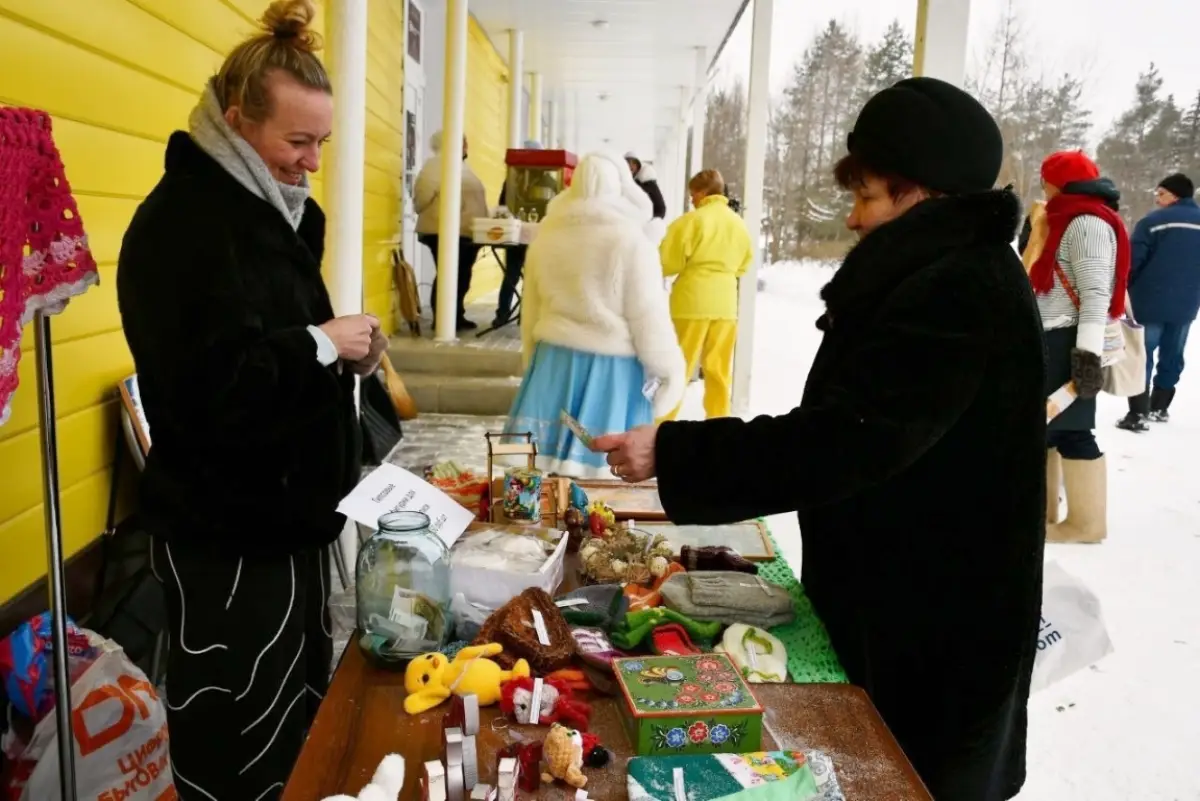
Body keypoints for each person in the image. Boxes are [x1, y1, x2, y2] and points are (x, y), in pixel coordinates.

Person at [597, 78, 1047, 801]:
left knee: (906, 779)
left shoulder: (958, 289)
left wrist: (675, 452)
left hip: (935, 631)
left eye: (867, 195)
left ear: (919, 194)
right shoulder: (941, 272)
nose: (854, 215)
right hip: (903, 601)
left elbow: (850, 439)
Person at [116, 2, 382, 798]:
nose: (310, 163)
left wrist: (343, 353)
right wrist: (320, 343)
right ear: (235, 120)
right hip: (225, 537)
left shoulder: (270, 210)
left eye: (320, 144)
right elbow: (205, 391)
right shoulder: (184, 226)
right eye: (296, 143)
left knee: (293, 719)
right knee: (232, 732)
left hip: (287, 528)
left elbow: (282, 348)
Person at [505, 152, 685, 476]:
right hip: (612, 372)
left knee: (538, 473)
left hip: (552, 362)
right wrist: (668, 373)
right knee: (605, 470)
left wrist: (532, 360)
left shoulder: (547, 238)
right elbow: (647, 315)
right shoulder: (630, 241)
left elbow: (530, 311)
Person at [1028, 151, 1129, 544]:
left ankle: (1085, 524)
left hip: (1069, 338)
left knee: (1072, 430)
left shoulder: (1085, 222)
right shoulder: (1060, 216)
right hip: (1053, 337)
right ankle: (1048, 515)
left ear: (1061, 182)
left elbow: (1095, 294)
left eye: (1046, 179)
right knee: (1049, 427)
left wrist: (1085, 360)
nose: (1043, 187)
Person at [659, 168, 753, 419]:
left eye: (693, 194)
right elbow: (744, 264)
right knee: (719, 371)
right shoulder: (738, 224)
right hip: (725, 306)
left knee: (679, 367)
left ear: (702, 192)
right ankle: (718, 423)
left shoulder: (691, 221)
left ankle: (662, 423)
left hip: (691, 303)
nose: (692, 199)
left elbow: (668, 262)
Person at [1117, 172, 1200, 429]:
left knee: (1143, 353)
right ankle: (1161, 406)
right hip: (1186, 303)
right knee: (1172, 355)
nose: (1157, 198)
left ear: (1174, 195)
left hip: (1149, 301)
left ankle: (1138, 412)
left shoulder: (1152, 223)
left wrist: (1124, 287)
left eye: (1161, 193)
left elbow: (1133, 262)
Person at [414, 130, 490, 331]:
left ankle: (455, 315)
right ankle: (443, 319)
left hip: (465, 232)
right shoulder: (436, 165)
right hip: (444, 231)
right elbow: (421, 198)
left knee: (461, 276)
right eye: (463, 142)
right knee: (449, 274)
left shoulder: (460, 165)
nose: (467, 146)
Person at [493, 139, 542, 327]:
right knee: (527, 277)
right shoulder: (546, 179)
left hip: (517, 234)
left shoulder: (513, 178)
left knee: (512, 275)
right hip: (532, 236)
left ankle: (503, 314)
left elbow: (502, 204)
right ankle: (524, 316)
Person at [624, 151, 668, 220]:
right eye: (628, 164)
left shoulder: (646, 181)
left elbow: (660, 209)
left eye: (633, 164)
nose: (630, 167)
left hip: (653, 217)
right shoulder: (635, 180)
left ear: (637, 165)